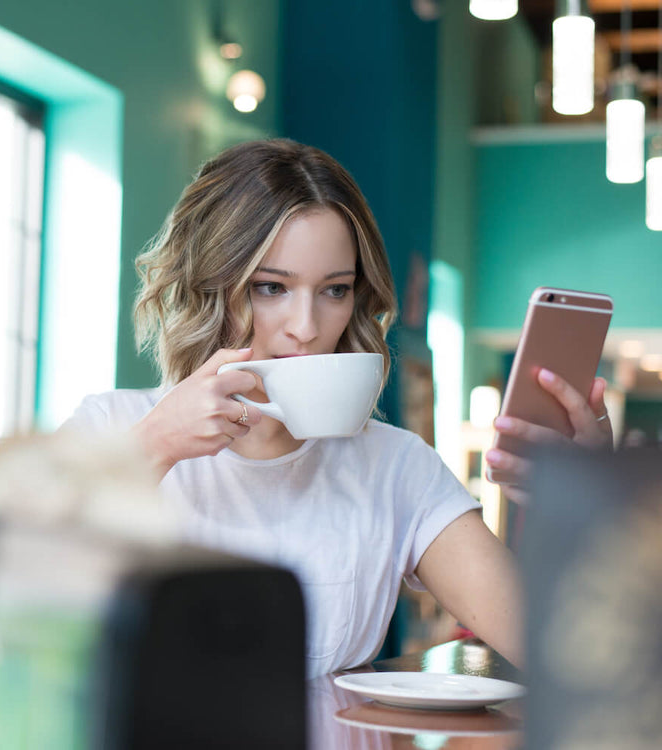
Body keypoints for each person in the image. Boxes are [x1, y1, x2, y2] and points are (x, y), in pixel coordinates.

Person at [61, 138, 612, 676]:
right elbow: (3, 610)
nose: (306, 328)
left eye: (334, 290)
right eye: (270, 287)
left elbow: (564, 649)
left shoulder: (396, 467)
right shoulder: (111, 427)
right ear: (209, 284)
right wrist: (150, 450)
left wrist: (586, 500)